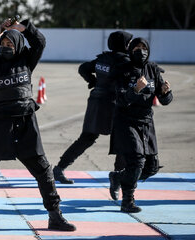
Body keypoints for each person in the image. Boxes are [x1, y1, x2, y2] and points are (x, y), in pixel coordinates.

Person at [0, 19, 75, 231]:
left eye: (10, 44)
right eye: (3, 44)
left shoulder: (27, 60)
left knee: (44, 172)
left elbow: (39, 42)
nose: (6, 47)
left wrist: (23, 27)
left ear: (19, 45)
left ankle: (54, 216)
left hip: (26, 123)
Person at [53, 31, 133, 184]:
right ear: (123, 44)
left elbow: (83, 68)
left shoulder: (103, 58)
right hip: (113, 104)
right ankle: (118, 176)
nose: (130, 46)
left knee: (87, 137)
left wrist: (93, 81)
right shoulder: (124, 62)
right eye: (129, 43)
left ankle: (59, 168)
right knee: (123, 140)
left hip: (96, 100)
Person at [108, 37, 173, 212]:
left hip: (146, 121)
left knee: (151, 167)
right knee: (136, 162)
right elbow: (121, 99)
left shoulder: (152, 69)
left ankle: (118, 177)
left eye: (143, 47)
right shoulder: (122, 70)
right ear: (131, 50)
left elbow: (164, 99)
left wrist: (167, 93)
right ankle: (127, 201)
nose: (140, 50)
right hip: (126, 120)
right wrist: (135, 89)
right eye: (136, 47)